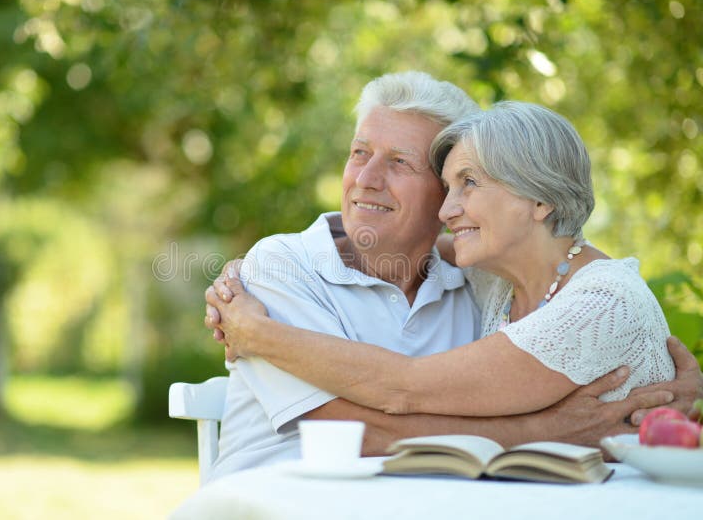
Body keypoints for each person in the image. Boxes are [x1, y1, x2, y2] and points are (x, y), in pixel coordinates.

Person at [202, 73, 702, 482]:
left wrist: (257, 335)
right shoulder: (276, 273)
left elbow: (403, 390)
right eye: (359, 153)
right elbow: (354, 430)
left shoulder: (487, 283)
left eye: (400, 162)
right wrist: (550, 430)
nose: (367, 178)